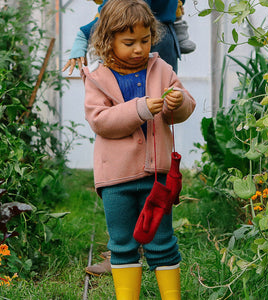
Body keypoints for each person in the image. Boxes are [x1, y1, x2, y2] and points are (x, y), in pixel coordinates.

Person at [82, 0, 196, 298]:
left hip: (156, 178)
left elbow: (185, 106)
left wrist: (178, 103)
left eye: (145, 40)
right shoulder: (98, 78)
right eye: (129, 42)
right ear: (108, 41)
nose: (139, 49)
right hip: (116, 180)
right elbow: (101, 121)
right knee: (122, 242)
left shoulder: (161, 69)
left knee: (162, 241)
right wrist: (141, 109)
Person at [62, 0, 195, 76]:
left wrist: (83, 36)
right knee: (162, 97)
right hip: (164, 36)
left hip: (154, 38)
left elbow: (116, 14)